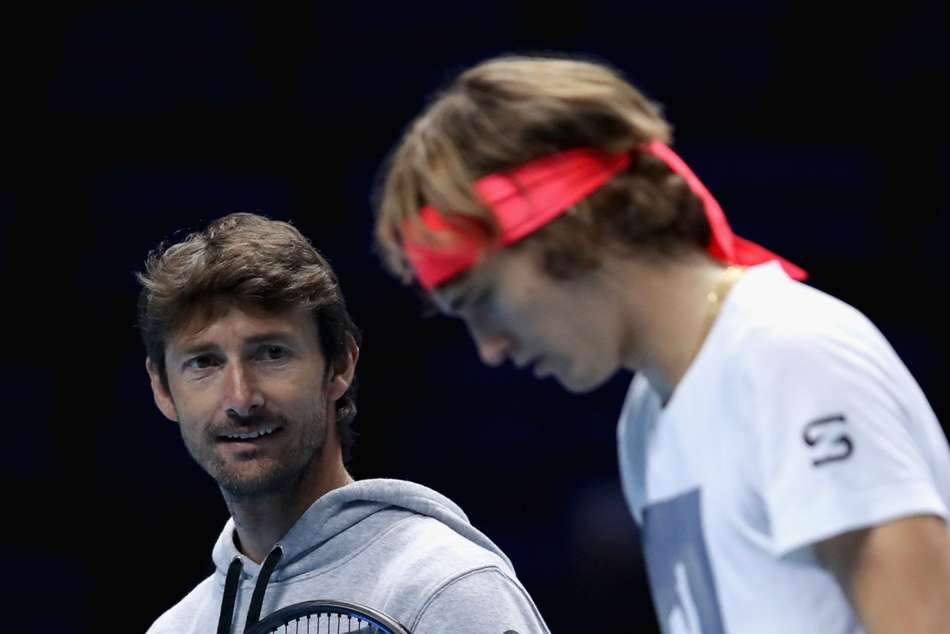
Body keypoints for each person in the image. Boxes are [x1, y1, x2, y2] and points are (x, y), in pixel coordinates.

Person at [373, 55, 950, 633]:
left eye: (483, 299)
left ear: (570, 232)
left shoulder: (790, 356)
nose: (489, 348)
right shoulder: (646, 418)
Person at [138, 212, 550, 634]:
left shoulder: (447, 589)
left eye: (272, 353)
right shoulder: (176, 629)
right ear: (162, 388)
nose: (241, 399)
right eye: (204, 362)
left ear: (340, 365)